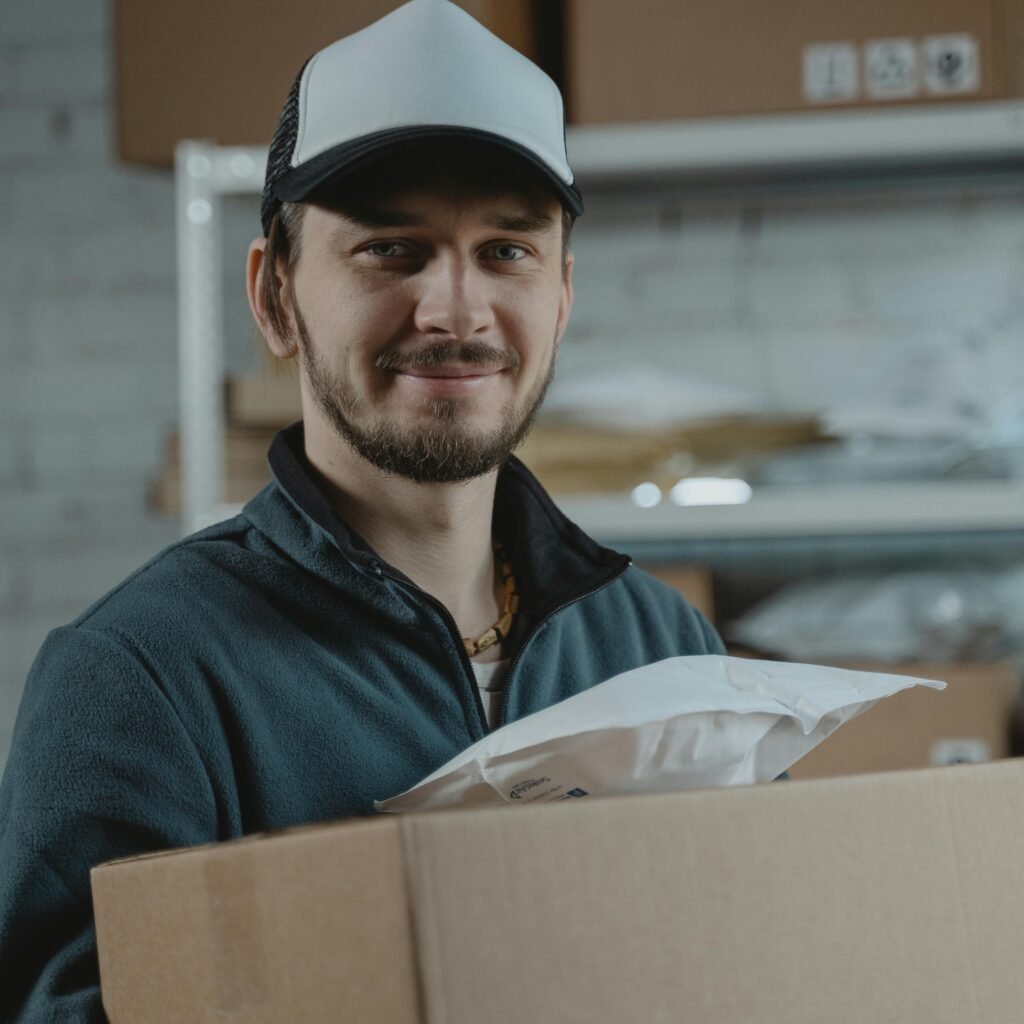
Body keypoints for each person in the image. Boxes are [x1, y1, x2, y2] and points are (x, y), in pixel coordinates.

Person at [0, 1, 726, 1019]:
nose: (455, 311)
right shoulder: (140, 678)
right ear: (275, 298)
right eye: (391, 249)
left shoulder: (663, 648)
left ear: (562, 292)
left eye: (508, 251)